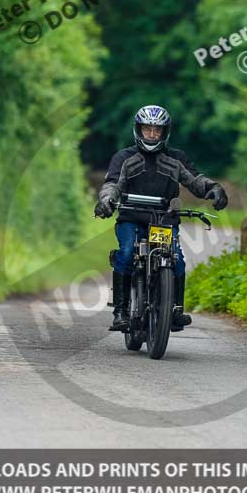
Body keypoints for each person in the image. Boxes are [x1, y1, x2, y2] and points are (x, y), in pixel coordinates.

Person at [94, 104, 228, 333]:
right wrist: (106, 201)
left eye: (157, 130)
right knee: (126, 253)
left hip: (163, 221)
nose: (152, 134)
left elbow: (195, 180)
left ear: (165, 132)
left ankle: (174, 309)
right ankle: (120, 311)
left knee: (177, 259)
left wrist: (213, 188)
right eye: (148, 129)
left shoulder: (177, 159)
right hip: (131, 218)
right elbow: (112, 185)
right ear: (139, 130)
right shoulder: (124, 157)